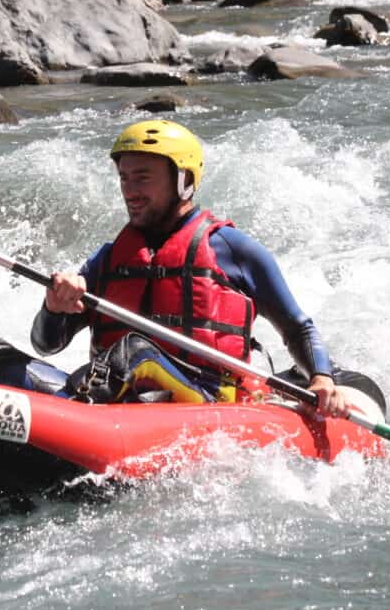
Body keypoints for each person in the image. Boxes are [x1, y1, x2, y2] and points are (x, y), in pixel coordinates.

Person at [29, 119, 352, 417]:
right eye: (124, 178)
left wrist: (321, 378)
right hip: (120, 400)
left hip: (204, 399)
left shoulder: (233, 249)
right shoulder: (110, 257)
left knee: (134, 350)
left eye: (142, 178)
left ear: (183, 181)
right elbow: (47, 345)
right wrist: (53, 308)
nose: (130, 191)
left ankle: (69, 413)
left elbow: (297, 328)